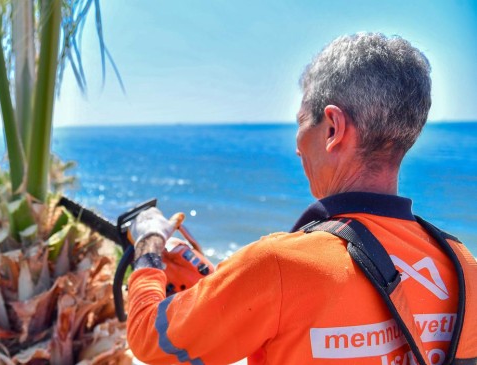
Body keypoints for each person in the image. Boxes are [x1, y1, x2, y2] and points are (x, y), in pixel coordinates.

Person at [125, 33, 477, 365]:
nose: (296, 147)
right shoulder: (464, 267)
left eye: (301, 123)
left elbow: (148, 336)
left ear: (333, 129)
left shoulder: (278, 265)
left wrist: (149, 247)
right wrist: (224, 284)